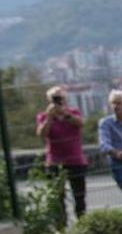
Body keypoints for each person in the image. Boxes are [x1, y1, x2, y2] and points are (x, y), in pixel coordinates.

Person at [34, 86, 87, 218]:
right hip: (54, 161)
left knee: (79, 196)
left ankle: (82, 224)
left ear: (65, 99)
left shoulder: (74, 112)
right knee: (57, 197)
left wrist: (65, 114)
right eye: (55, 98)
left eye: (60, 98)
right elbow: (42, 133)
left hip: (75, 160)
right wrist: (50, 117)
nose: (58, 101)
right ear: (49, 100)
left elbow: (80, 124)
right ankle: (60, 228)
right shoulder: (43, 116)